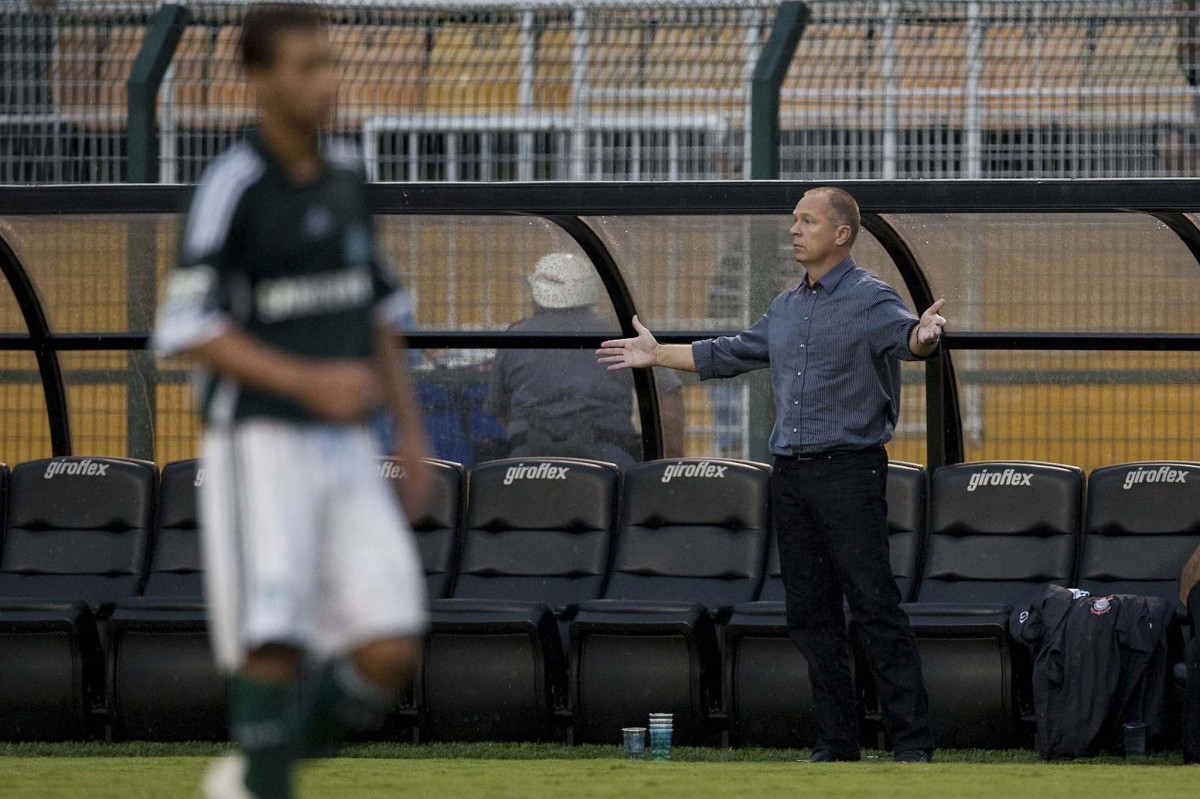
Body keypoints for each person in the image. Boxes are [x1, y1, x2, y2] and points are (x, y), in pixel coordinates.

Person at [152, 6, 431, 798]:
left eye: (329, 61)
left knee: (389, 647)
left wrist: (409, 437)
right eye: (307, 65)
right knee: (273, 640)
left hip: (347, 448)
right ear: (259, 80)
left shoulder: (346, 176)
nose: (327, 80)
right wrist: (308, 379)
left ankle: (250, 775)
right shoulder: (231, 185)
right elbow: (186, 325)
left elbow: (380, 311)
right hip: (260, 444)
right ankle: (263, 780)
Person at [598, 186, 946, 763]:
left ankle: (913, 744)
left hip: (850, 473)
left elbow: (911, 338)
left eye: (808, 221)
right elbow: (732, 351)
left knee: (873, 606)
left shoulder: (871, 297)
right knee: (810, 614)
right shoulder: (786, 307)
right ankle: (837, 743)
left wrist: (925, 338)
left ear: (841, 234)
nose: (795, 230)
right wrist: (657, 355)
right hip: (791, 476)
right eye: (794, 220)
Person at [487, 251, 684, 467]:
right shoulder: (616, 334)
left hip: (527, 465)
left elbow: (499, 407)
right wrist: (668, 461)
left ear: (537, 292)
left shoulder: (516, 336)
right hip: (608, 462)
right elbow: (667, 392)